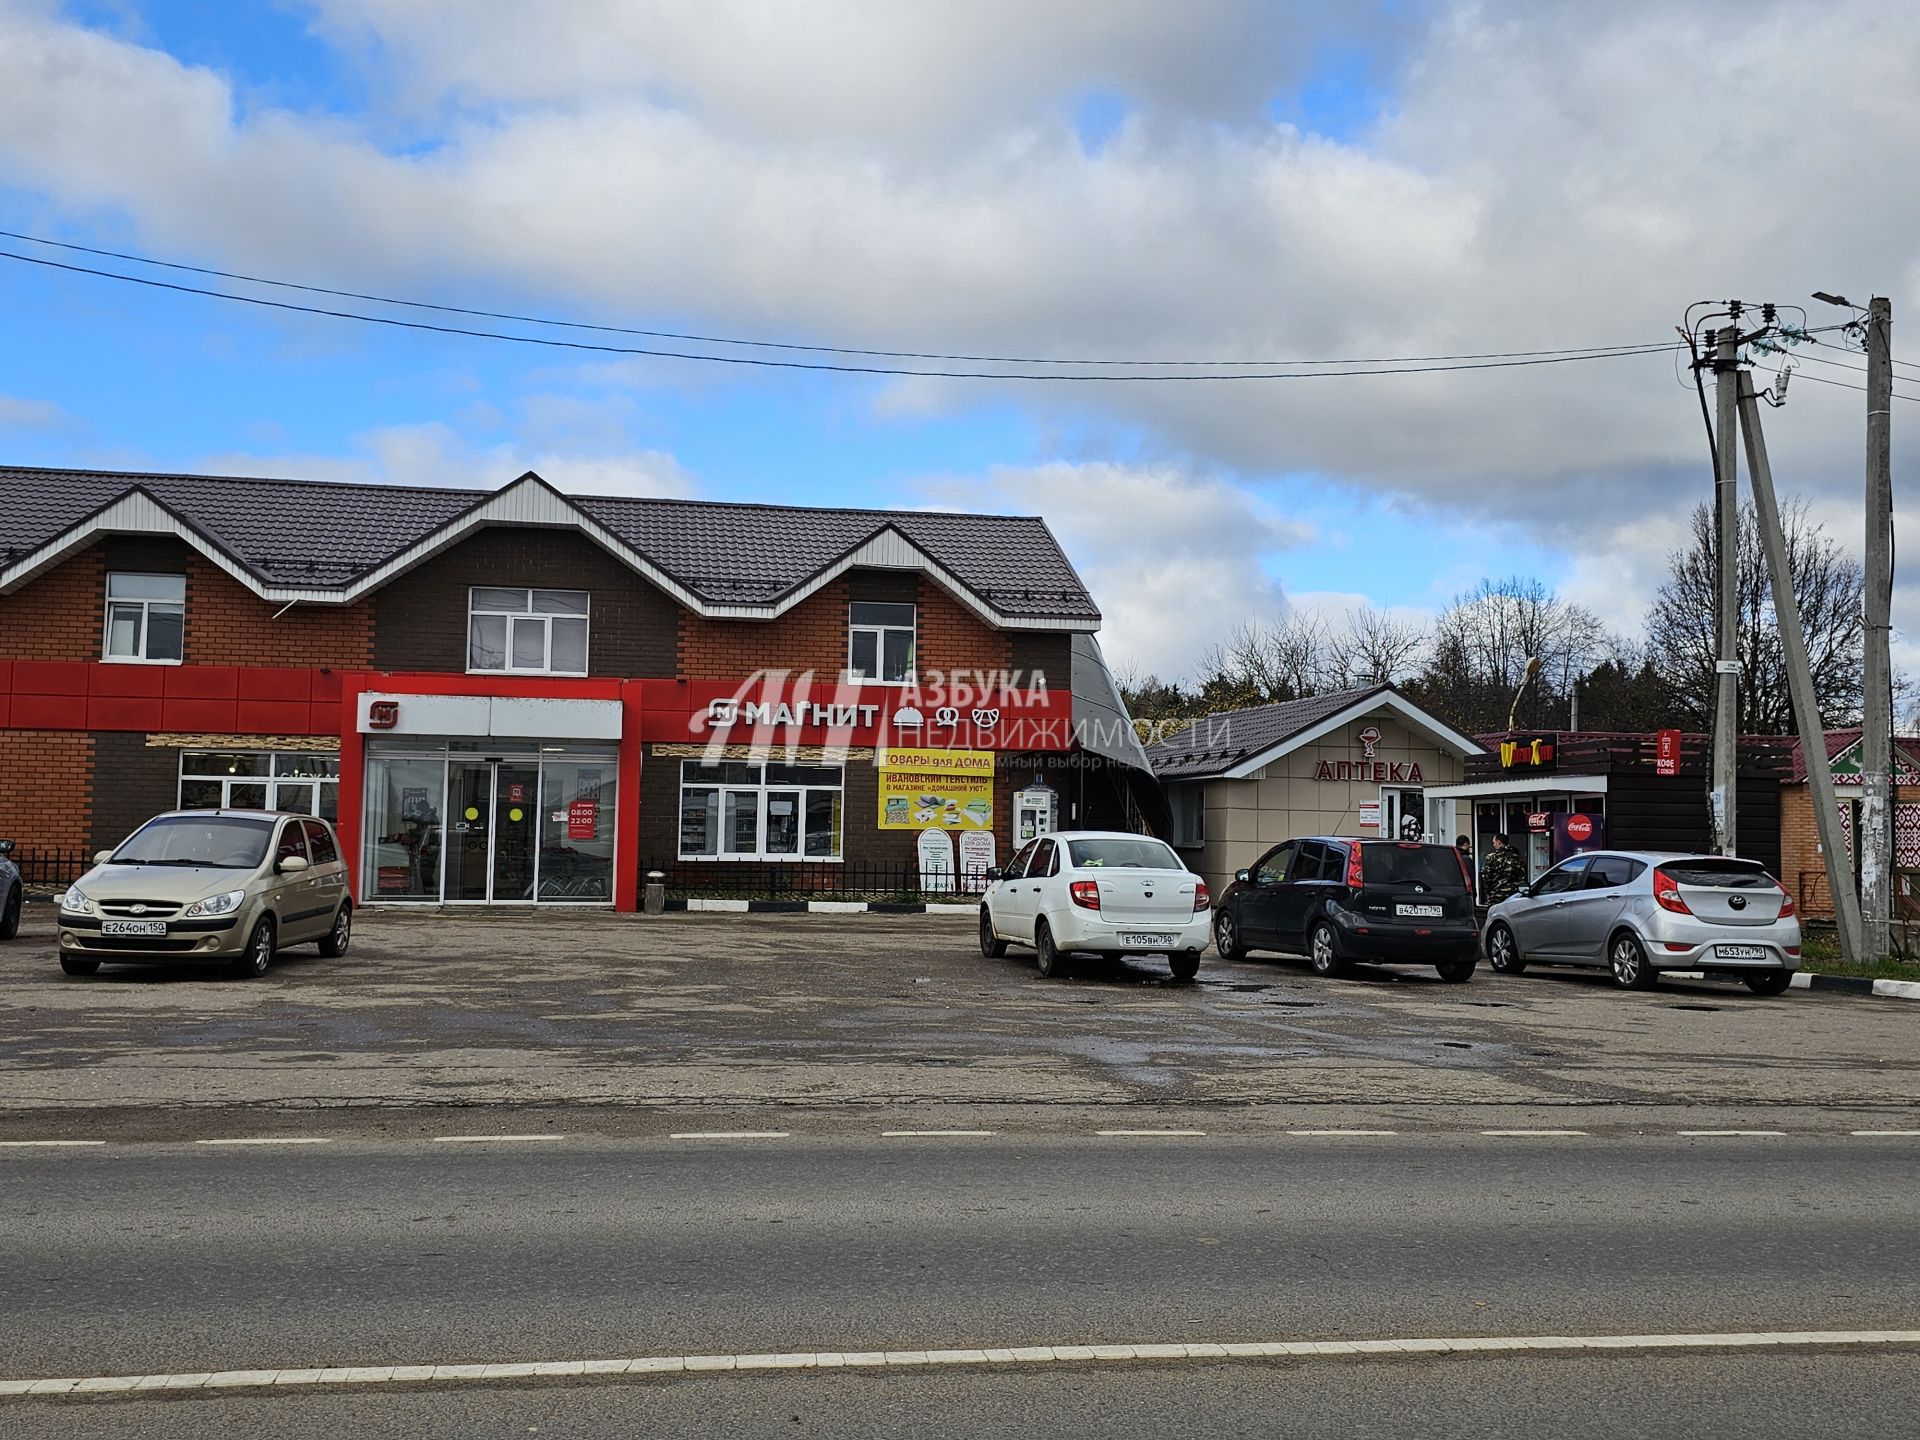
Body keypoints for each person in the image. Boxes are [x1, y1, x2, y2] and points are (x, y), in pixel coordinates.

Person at [1480, 832, 1526, 908]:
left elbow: (1486, 877)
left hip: (1496, 895)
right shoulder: (1516, 857)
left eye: (1494, 843)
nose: (1493, 845)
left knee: (1495, 917)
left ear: (1499, 843)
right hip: (1512, 895)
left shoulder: (1492, 857)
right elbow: (1522, 875)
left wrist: (1489, 891)